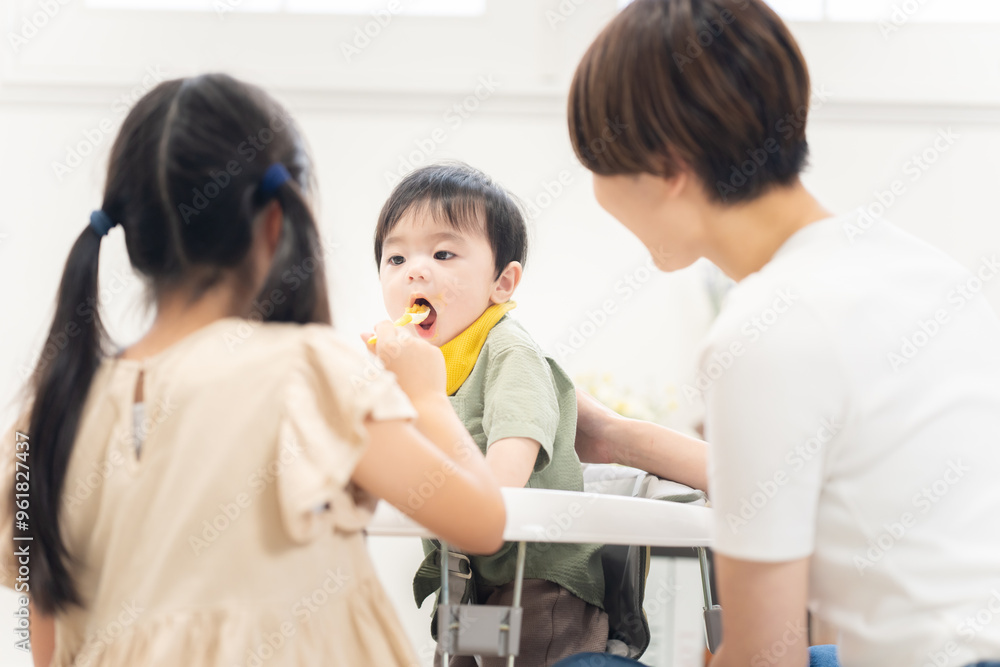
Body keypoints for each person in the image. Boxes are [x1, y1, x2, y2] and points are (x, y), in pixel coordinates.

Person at [0, 73, 505, 667]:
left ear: (133, 237)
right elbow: (482, 522)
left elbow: (48, 649)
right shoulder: (310, 371)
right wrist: (426, 396)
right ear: (274, 223)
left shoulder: (47, 414)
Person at [556, 1, 1000, 666]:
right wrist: (618, 436)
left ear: (668, 167)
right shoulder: (916, 269)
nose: (595, 188)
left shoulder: (765, 329)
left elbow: (766, 655)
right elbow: (827, 475)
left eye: (598, 160)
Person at [369, 162, 609, 666]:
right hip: (468, 582)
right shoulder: (419, 368)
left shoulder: (509, 353)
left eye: (443, 253)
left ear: (502, 282)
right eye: (396, 257)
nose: (415, 270)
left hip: (537, 582)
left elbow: (500, 489)